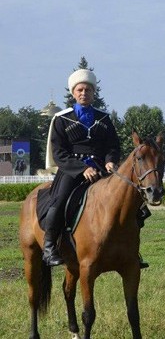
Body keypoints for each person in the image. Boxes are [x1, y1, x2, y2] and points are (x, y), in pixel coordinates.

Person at [42, 69, 121, 266]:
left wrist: (110, 160)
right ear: (73, 93)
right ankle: (49, 246)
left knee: (127, 200)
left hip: (100, 169)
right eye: (80, 90)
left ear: (94, 93)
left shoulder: (104, 118)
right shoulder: (62, 118)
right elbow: (59, 153)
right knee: (59, 202)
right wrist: (81, 169)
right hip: (72, 170)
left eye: (88, 90)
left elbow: (113, 145)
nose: (84, 93)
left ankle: (129, 248)